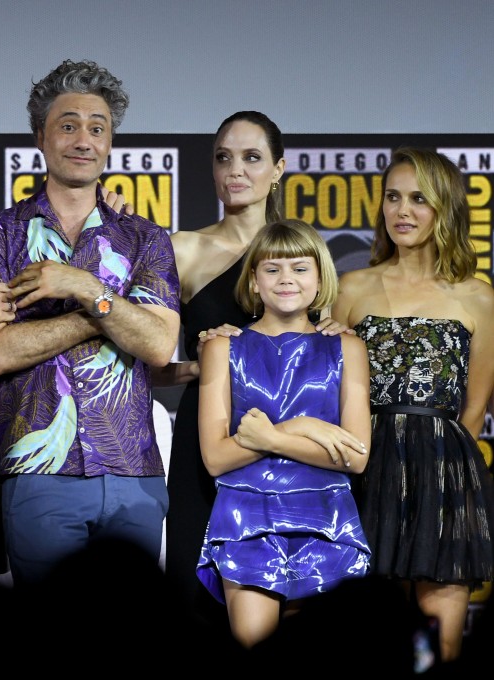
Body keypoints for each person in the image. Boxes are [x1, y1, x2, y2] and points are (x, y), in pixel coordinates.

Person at [0, 59, 181, 587]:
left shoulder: (146, 238)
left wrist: (83, 287)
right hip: (37, 472)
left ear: (110, 143)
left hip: (133, 470)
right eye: (68, 125)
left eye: (97, 127)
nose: (83, 139)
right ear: (40, 135)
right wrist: (105, 314)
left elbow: (156, 344)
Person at [158, 111, 350, 632]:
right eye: (223, 158)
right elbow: (139, 360)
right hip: (212, 442)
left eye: (251, 158)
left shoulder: (301, 253)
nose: (235, 170)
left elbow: (334, 355)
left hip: (301, 461)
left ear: (278, 168)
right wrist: (197, 367)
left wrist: (330, 331)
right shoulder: (183, 248)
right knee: (198, 595)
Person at [331, 147, 494, 666]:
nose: (402, 211)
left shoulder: (478, 297)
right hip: (364, 467)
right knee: (364, 633)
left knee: (438, 645)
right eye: (393, 197)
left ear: (444, 208)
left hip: (444, 474)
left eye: (419, 199)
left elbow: (474, 410)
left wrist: (437, 469)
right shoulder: (351, 287)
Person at [195, 219, 372, 648]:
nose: (286, 279)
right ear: (254, 280)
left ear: (319, 278)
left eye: (299, 267)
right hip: (246, 520)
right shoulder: (223, 348)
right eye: (272, 269)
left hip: (326, 518)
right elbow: (216, 458)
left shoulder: (348, 347)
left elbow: (357, 456)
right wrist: (302, 429)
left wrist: (272, 437)